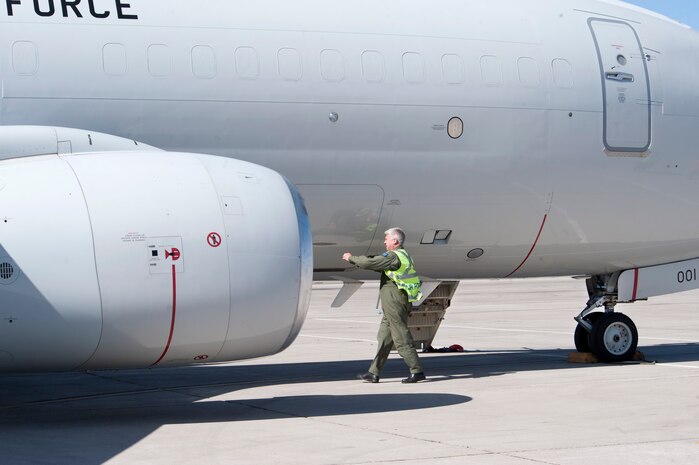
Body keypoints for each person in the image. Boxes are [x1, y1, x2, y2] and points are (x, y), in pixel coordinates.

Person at [342, 227, 426, 383]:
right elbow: (378, 264)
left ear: (395, 241)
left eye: (386, 238)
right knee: (384, 338)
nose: (384, 241)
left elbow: (370, 262)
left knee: (400, 336)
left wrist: (351, 258)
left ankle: (416, 370)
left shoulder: (394, 256)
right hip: (395, 302)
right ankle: (374, 372)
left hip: (395, 303)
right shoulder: (401, 255)